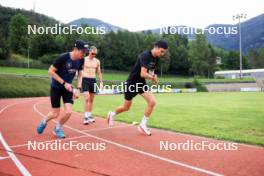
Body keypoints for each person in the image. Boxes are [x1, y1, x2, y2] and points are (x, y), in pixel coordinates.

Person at [106, 40, 168, 136]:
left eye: (164, 52)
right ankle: (112, 114)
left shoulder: (156, 59)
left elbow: (151, 71)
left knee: (152, 102)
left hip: (141, 84)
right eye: (162, 51)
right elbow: (142, 73)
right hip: (132, 83)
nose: (163, 54)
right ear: (156, 47)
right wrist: (152, 77)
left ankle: (142, 125)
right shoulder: (145, 56)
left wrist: (154, 78)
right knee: (126, 107)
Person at [36, 40, 88, 138]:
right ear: (76, 49)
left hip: (68, 89)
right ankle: (44, 121)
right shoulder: (63, 57)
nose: (84, 54)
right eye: (82, 52)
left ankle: (57, 128)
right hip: (56, 87)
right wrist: (64, 83)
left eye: (85, 52)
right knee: (55, 113)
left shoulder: (81, 60)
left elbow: (80, 74)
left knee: (68, 112)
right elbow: (50, 71)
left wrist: (79, 88)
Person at [82, 46, 103, 125]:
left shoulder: (97, 61)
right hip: (85, 80)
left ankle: (90, 115)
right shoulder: (84, 60)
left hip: (93, 80)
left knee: (91, 100)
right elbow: (79, 69)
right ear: (89, 52)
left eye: (95, 54)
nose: (94, 55)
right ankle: (85, 116)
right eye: (92, 53)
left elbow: (99, 72)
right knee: (87, 98)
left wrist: (101, 83)